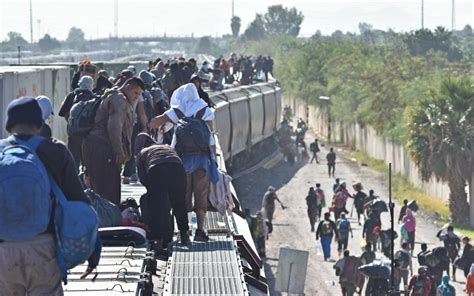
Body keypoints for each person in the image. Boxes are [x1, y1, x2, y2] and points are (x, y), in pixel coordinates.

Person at [0, 97, 93, 295]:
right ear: (40, 124)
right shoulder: (56, 150)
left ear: (8, 125)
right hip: (43, 246)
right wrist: (92, 250)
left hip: (3, 250)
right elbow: (79, 202)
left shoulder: (1, 151)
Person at [149, 83, 218, 242]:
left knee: (182, 195)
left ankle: (183, 232)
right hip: (202, 159)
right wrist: (213, 160)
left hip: (181, 160)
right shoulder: (204, 111)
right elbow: (211, 138)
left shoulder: (177, 111)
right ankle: (200, 232)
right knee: (201, 194)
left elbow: (153, 123)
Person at [82, 77, 145, 205]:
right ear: (127, 87)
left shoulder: (113, 95)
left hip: (96, 148)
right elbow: (114, 127)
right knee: (108, 194)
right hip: (104, 150)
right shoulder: (119, 100)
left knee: (100, 191)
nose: (136, 97)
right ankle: (108, 222)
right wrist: (119, 152)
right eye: (136, 93)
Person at [134, 133, 190, 251]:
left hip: (157, 169)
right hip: (178, 169)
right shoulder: (166, 147)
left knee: (159, 208)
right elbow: (177, 160)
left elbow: (143, 177)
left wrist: (153, 192)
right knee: (179, 203)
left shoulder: (142, 153)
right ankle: (184, 234)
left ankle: (159, 240)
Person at [58, 75, 96, 171]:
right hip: (88, 135)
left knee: (74, 161)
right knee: (88, 161)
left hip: (73, 134)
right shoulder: (94, 98)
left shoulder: (72, 95)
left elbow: (62, 113)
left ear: (80, 84)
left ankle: (74, 182)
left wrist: (72, 123)